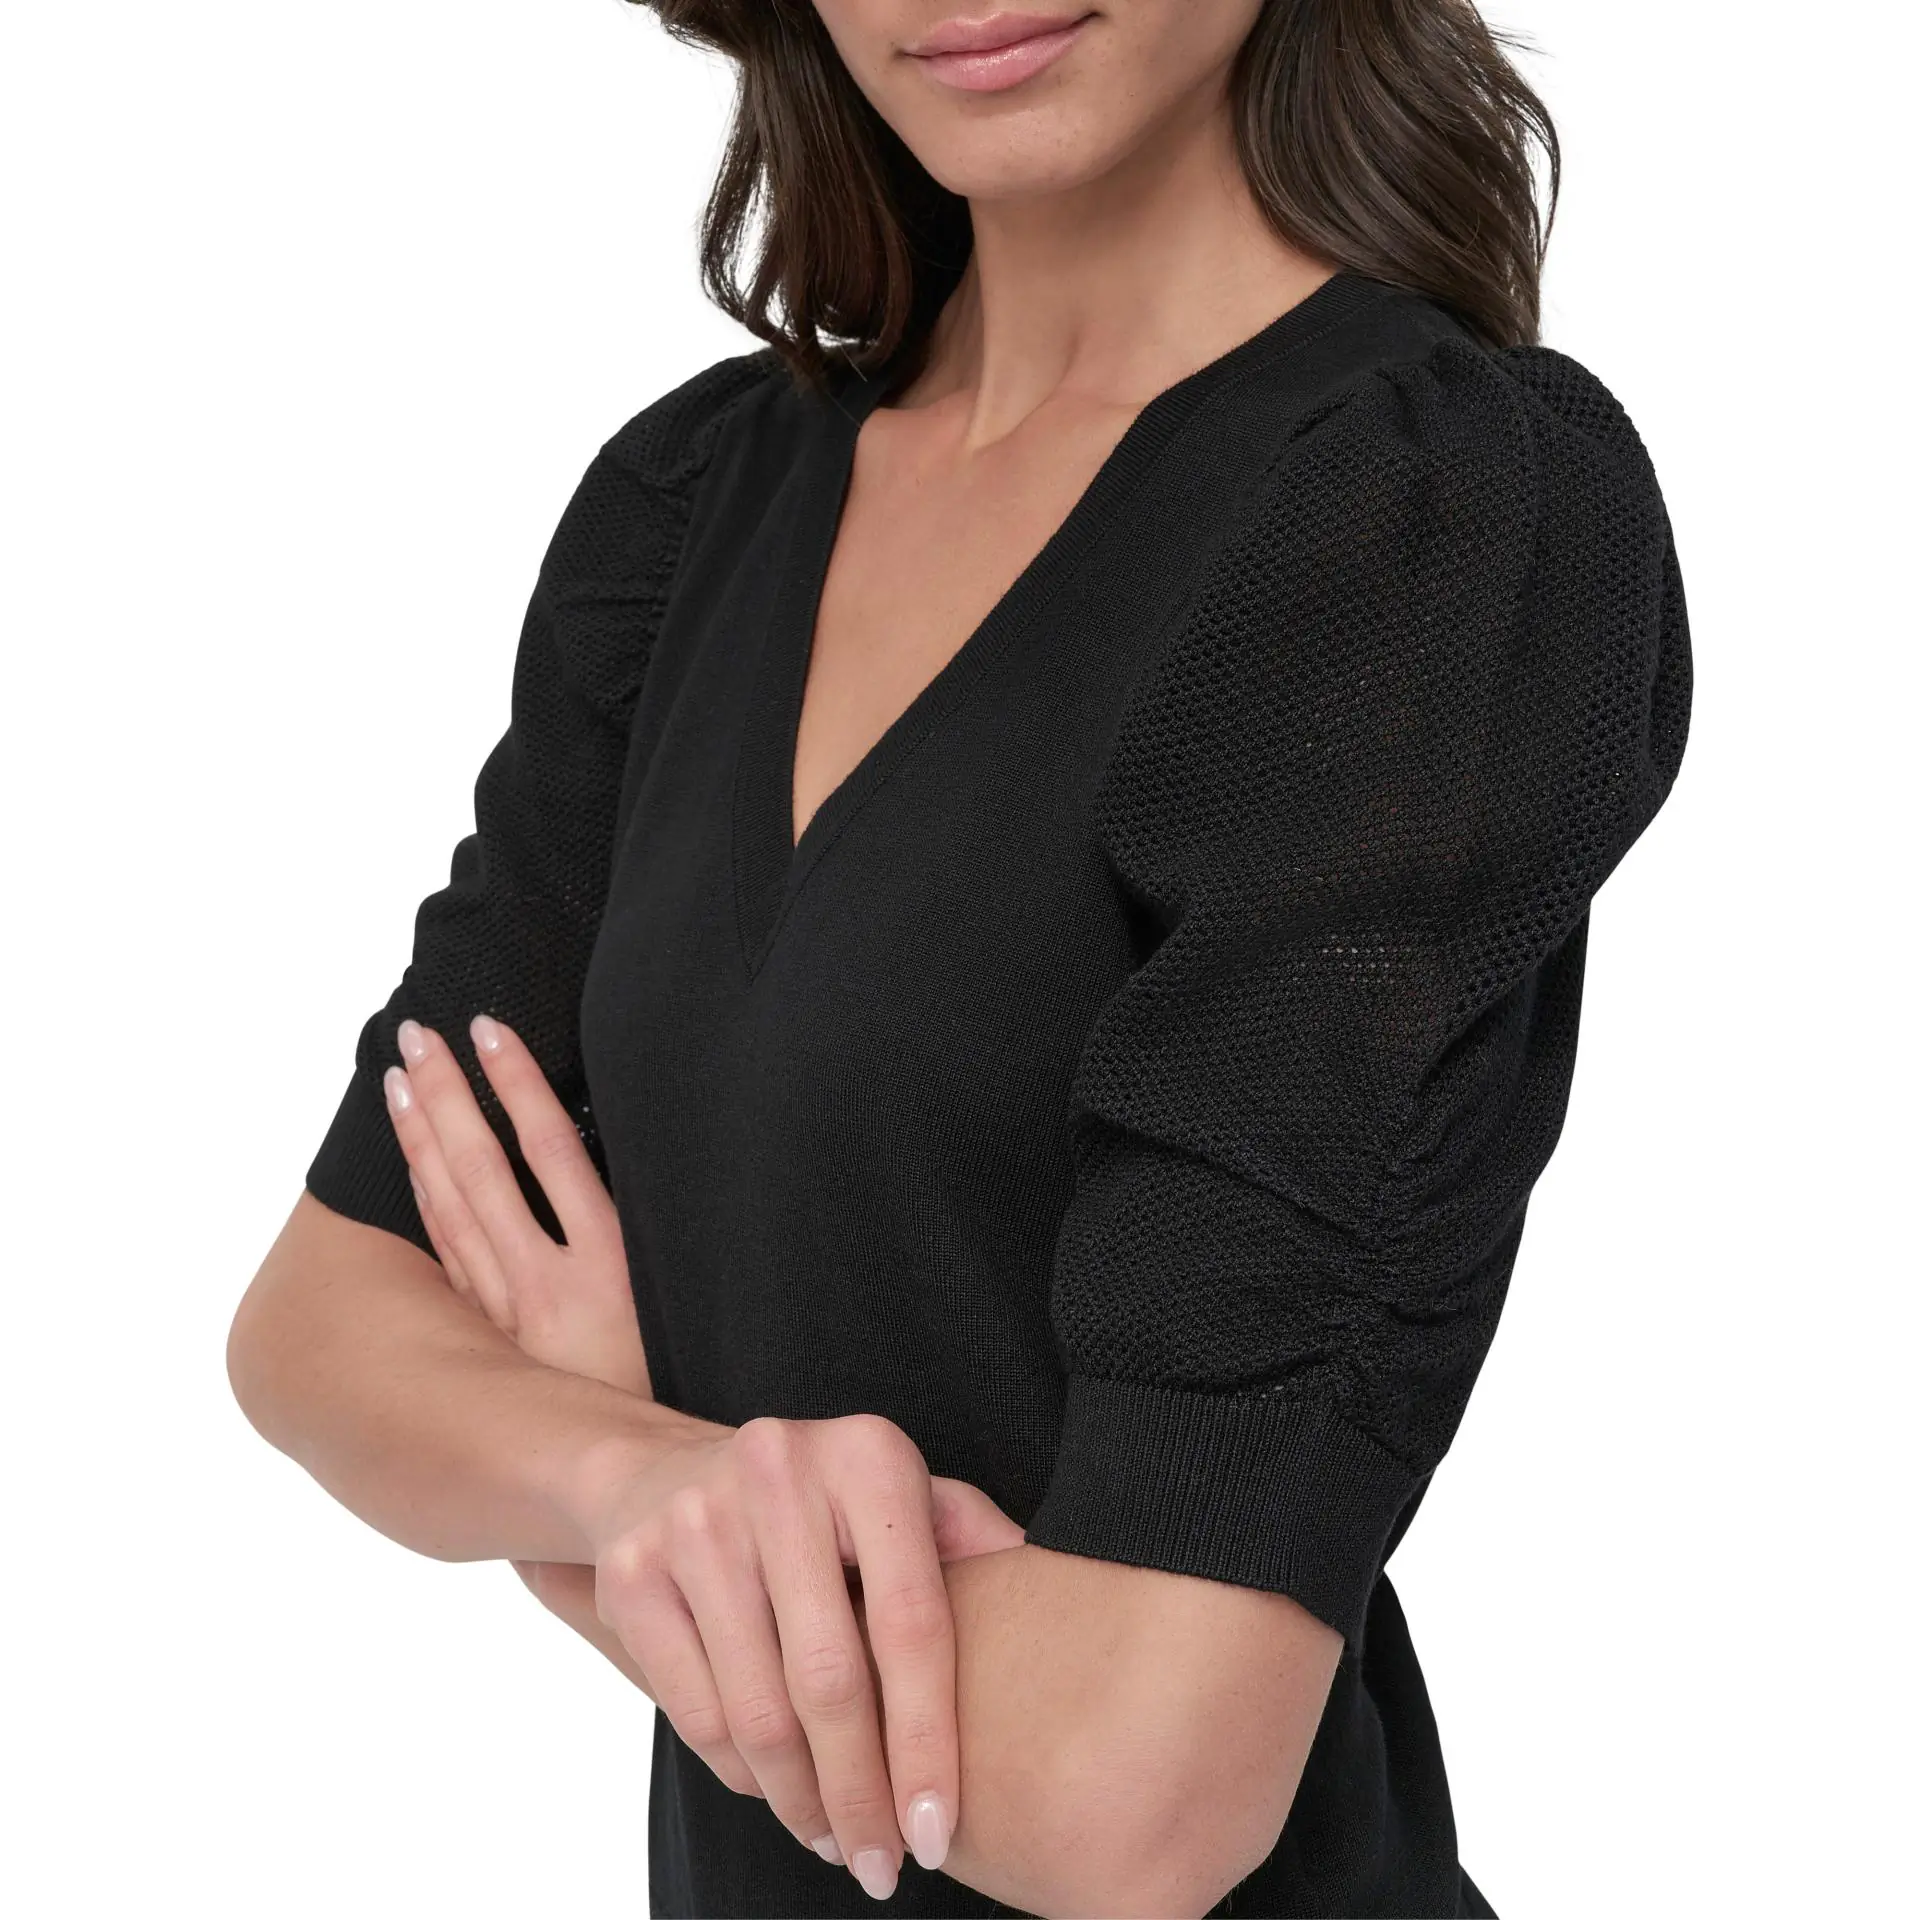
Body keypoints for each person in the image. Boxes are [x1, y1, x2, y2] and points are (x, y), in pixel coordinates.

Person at [227, 2, 1693, 1914]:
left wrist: (579, 1512)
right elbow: (322, 1321)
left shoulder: (1423, 514)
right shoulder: (694, 504)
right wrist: (640, 1479)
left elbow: (1131, 1793)